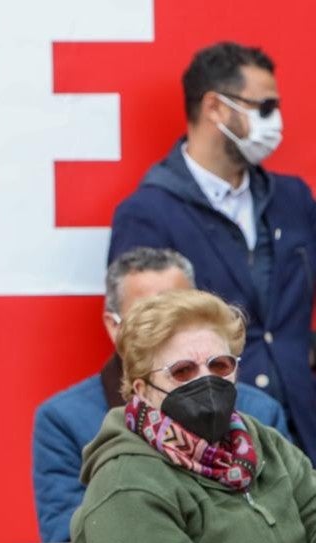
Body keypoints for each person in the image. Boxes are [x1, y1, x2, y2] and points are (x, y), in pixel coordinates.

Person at [46, 289, 316, 543]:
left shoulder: (269, 449)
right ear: (141, 388)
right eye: (183, 371)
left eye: (220, 365)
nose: (207, 382)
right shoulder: (127, 478)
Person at [108, 41, 316, 465]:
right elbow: (140, 342)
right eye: (263, 107)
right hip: (218, 439)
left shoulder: (294, 199)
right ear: (215, 108)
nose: (274, 121)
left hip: (304, 428)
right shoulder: (149, 212)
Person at [33, 248, 288, 543]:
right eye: (148, 319)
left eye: (180, 313)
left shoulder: (258, 413)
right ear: (114, 326)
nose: (169, 330)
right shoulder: (64, 420)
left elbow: (295, 527)